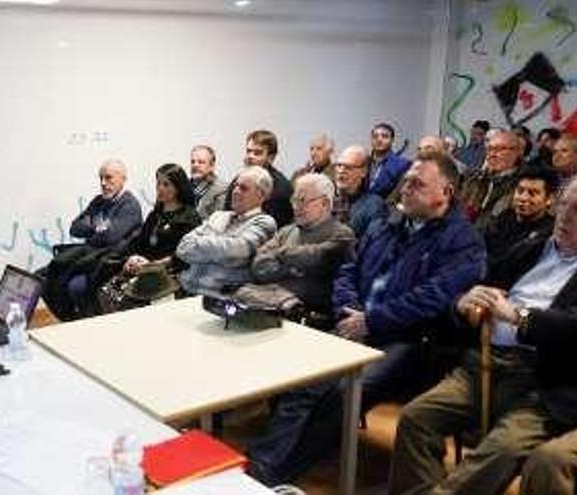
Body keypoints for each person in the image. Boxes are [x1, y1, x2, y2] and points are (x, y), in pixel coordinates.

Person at [247, 152, 485, 487]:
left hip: (410, 340)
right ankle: (261, 465)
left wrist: (371, 321)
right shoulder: (386, 223)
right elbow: (348, 271)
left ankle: (276, 473)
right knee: (305, 382)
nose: (405, 188)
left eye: (417, 184)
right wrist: (349, 311)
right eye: (406, 181)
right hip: (354, 324)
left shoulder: (463, 240)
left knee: (344, 394)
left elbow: (433, 298)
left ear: (445, 192)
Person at [389, 178, 577, 495]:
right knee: (415, 419)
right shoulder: (532, 246)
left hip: (542, 384)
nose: (565, 216)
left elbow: (572, 328)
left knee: (501, 452)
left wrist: (519, 316)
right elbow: (478, 283)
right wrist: (464, 301)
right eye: (564, 205)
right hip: (484, 363)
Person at [235, 173, 354, 319]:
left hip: (310, 315)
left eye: (302, 200)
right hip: (270, 303)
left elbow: (316, 258)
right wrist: (294, 268)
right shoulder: (286, 231)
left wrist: (280, 254)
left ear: (325, 203)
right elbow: (258, 266)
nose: (296, 207)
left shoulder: (342, 235)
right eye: (294, 200)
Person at [41, 159, 142, 321]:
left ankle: (86, 320)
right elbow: (75, 228)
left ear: (123, 179)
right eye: (101, 178)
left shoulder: (129, 205)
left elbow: (110, 237)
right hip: (89, 258)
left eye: (108, 177)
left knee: (74, 285)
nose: (103, 183)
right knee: (41, 279)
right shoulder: (98, 201)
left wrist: (92, 226)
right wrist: (97, 227)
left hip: (110, 263)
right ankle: (70, 320)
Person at [92, 163, 201, 313]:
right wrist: (132, 258)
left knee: (127, 304)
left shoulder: (189, 217)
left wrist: (151, 265)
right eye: (158, 183)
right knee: (106, 292)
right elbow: (139, 244)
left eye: (166, 184)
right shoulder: (155, 215)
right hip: (145, 270)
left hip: (170, 275)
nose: (160, 188)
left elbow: (185, 257)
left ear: (178, 187)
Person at [177, 166, 277, 296]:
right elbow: (183, 247)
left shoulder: (264, 222)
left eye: (243, 188)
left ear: (261, 195)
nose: (235, 191)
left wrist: (202, 244)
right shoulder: (219, 216)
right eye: (235, 186)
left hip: (218, 296)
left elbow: (237, 253)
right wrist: (220, 249)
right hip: (185, 288)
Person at [483, 166, 557, 279]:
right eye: (520, 191)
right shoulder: (503, 218)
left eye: (533, 193)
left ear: (549, 199)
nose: (523, 198)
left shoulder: (549, 233)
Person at [224, 129, 294, 227]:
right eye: (248, 151)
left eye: (257, 153)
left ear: (271, 158)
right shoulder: (239, 179)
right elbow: (227, 212)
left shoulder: (281, 188)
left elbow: (270, 226)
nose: (250, 156)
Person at [460, 130, 524, 232]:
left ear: (516, 152)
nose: (493, 154)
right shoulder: (474, 178)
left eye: (500, 149)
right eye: (490, 149)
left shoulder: (523, 184)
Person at [331, 144, 387, 238]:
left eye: (348, 167)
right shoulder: (324, 200)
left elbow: (373, 242)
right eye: (339, 165)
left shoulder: (373, 205)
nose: (341, 171)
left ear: (363, 172)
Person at [366, 122, 411, 199]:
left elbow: (400, 194)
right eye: (375, 136)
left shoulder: (403, 164)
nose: (379, 140)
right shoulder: (364, 162)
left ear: (392, 140)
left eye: (385, 136)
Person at [189, 144, 227, 219]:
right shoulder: (182, 187)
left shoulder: (222, 190)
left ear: (211, 166)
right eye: (192, 162)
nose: (195, 165)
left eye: (201, 162)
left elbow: (217, 222)